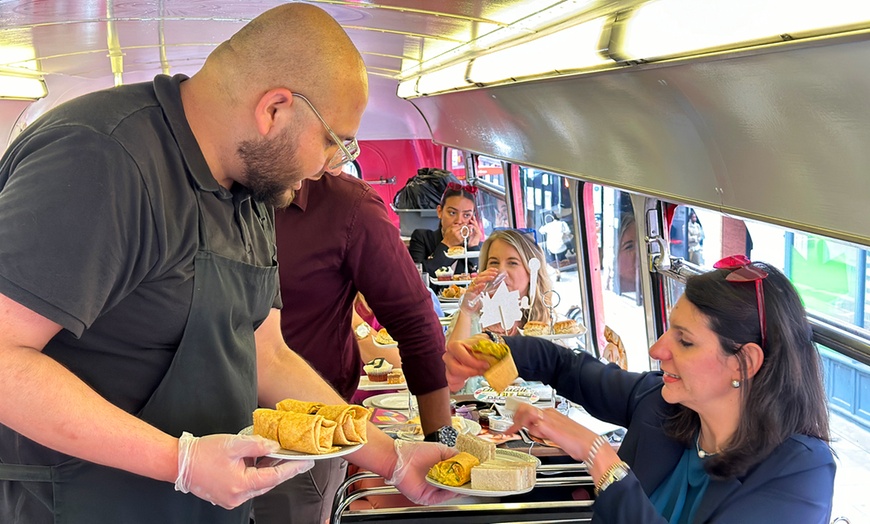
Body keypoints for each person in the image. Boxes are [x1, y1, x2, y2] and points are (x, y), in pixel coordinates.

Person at [0, 5, 455, 524]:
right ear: (274, 110)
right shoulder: (101, 158)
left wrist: (393, 461)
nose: (329, 164)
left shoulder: (251, 187)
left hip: (202, 506)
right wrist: (183, 462)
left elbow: (268, 354)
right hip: (89, 506)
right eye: (334, 141)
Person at [444, 256, 835, 523]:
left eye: (684, 341)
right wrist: (491, 354)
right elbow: (566, 366)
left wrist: (597, 456)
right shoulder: (663, 405)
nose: (656, 349)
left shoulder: (801, 472)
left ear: (744, 363)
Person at [255, 172, 453, 524]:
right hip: (185, 429)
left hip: (307, 440)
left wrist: (443, 443)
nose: (329, 159)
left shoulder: (349, 206)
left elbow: (416, 323)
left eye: (344, 142)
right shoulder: (209, 198)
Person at [446, 229, 554, 394]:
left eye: (512, 263)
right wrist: (466, 312)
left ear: (531, 271)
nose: (501, 271)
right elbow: (450, 383)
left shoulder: (545, 325)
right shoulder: (471, 319)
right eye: (494, 263)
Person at [408, 182, 484, 281]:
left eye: (466, 215)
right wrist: (447, 244)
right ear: (440, 212)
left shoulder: (478, 247)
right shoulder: (422, 238)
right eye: (452, 213)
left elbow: (480, 282)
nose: (459, 221)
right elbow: (416, 280)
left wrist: (473, 247)